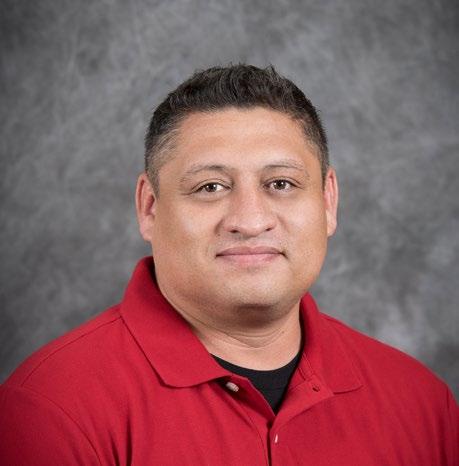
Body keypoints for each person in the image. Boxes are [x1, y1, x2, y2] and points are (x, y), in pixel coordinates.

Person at [0, 64, 457, 466]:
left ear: (328, 202)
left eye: (281, 183)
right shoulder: (51, 408)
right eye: (211, 188)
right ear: (150, 207)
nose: (250, 220)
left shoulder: (421, 403)